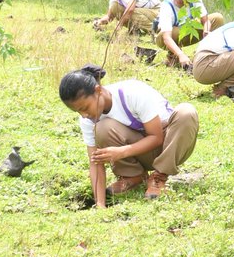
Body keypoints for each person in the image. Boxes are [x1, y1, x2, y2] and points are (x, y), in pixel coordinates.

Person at [59, 64, 198, 203]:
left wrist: (121, 152)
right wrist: (100, 205)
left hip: (168, 146)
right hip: (140, 154)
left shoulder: (132, 93)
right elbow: (95, 162)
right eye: (78, 111)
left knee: (186, 112)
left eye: (85, 108)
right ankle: (133, 176)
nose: (84, 115)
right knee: (101, 127)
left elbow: (157, 138)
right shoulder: (88, 119)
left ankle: (159, 177)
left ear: (98, 90)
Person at [154, 0, 224, 68]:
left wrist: (206, 31)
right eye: (180, 2)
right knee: (165, 35)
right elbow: (166, 37)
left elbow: (205, 20)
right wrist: (181, 55)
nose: (184, 4)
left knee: (217, 18)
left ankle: (206, 53)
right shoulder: (167, 6)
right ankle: (173, 56)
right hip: (170, 36)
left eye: (186, 1)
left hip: (189, 29)